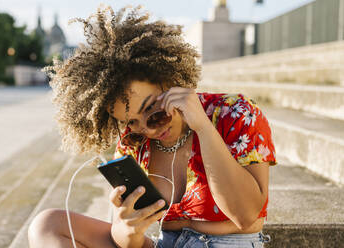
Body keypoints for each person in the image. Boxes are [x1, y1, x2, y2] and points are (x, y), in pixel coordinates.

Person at [28, 4, 277, 248]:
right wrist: (128, 228)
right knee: (47, 225)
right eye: (131, 122)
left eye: (152, 111)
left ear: (171, 80)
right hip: (164, 243)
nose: (147, 130)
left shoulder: (235, 113)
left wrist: (203, 127)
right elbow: (126, 242)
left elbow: (245, 216)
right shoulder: (133, 143)